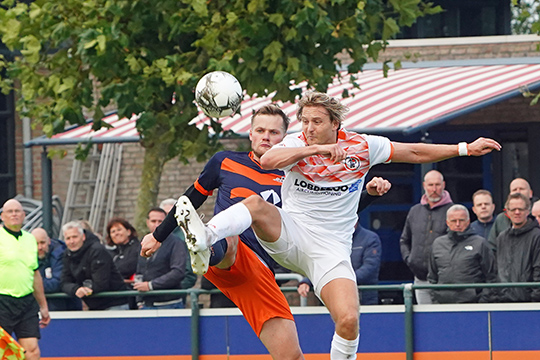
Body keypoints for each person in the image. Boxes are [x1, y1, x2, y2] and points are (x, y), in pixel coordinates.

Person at [144, 91, 500, 360]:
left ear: (335, 125)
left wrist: (465, 148)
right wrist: (312, 151)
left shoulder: (363, 147)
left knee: (348, 320)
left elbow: (415, 153)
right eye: (305, 122)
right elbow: (269, 159)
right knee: (254, 205)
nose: (309, 129)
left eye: (316, 122)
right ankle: (205, 237)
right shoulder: (297, 144)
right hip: (290, 233)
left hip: (330, 249)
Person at [0, 199, 50, 360]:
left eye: (17, 211)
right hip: (2, 301)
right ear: (2, 216)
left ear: (24, 215)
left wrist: (43, 306)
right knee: (2, 352)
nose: (14, 214)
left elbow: (35, 274)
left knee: (32, 351)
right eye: (10, 211)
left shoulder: (30, 240)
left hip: (26, 302)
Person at [400, 170, 454, 304]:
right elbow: (404, 240)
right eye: (430, 185)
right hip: (420, 278)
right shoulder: (415, 211)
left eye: (437, 185)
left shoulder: (453, 211)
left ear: (444, 185)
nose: (434, 189)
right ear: (424, 185)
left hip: (445, 280)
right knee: (424, 319)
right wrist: (410, 259)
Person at [427, 204, 497, 303]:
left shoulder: (480, 243)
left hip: (473, 304)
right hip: (443, 305)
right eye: (454, 221)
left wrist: (482, 302)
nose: (458, 224)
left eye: (461, 220)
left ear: (468, 222)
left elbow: (491, 276)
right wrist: (436, 299)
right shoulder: (437, 244)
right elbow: (432, 277)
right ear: (447, 222)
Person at [298, 223, 382, 305]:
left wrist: (343, 281)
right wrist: (307, 281)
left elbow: (369, 268)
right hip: (332, 303)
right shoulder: (331, 239)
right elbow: (322, 263)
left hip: (363, 303)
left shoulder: (370, 238)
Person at [61, 221, 129, 310]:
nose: (72, 241)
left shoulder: (97, 250)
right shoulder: (67, 254)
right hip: (93, 305)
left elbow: (101, 283)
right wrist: (76, 289)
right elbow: (64, 282)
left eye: (75, 237)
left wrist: (83, 289)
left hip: (114, 303)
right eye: (68, 238)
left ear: (83, 237)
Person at [134, 208, 187, 309]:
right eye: (153, 221)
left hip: (170, 303)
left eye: (160, 221)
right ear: (147, 222)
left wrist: (151, 285)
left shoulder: (176, 242)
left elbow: (178, 272)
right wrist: (139, 301)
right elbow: (140, 271)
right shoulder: (144, 241)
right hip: (146, 304)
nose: (156, 225)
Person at [494, 193, 540, 302]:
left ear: (528, 211)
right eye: (513, 209)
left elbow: (538, 270)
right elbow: (497, 269)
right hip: (503, 301)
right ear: (507, 212)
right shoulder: (502, 237)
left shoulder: (537, 236)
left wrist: (534, 300)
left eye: (521, 209)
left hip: (529, 303)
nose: (517, 212)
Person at [32, 227, 81, 311]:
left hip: (65, 310)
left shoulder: (60, 255)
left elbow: (58, 283)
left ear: (49, 241)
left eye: (42, 243)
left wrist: (32, 284)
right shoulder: (26, 256)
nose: (40, 247)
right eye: (36, 244)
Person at [159, 199, 197, 291]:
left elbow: (189, 271)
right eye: (166, 214)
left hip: (175, 290)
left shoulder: (187, 236)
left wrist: (178, 288)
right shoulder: (157, 237)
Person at [488, 178, 535, 249]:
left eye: (522, 189)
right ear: (510, 195)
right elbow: (492, 248)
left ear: (530, 193)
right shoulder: (501, 219)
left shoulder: (537, 214)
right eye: (514, 190)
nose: (518, 192)